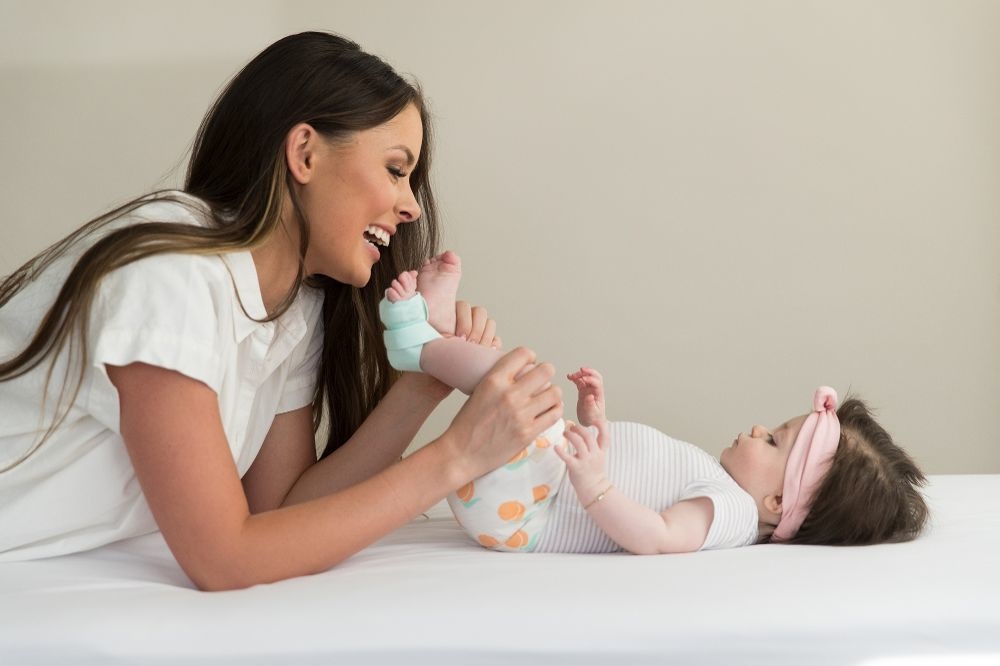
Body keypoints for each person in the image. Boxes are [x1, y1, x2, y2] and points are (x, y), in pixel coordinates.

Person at [0, 32, 563, 588]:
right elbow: (225, 559)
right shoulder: (169, 276)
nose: (412, 206)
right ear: (305, 154)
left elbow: (279, 513)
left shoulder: (291, 308)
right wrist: (457, 457)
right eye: (396, 170)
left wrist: (423, 381)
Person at [378, 255, 930, 553]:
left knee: (524, 386)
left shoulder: (732, 513)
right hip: (534, 489)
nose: (757, 427)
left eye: (772, 440)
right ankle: (435, 339)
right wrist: (595, 421)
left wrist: (594, 485)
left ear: (778, 501)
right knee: (521, 389)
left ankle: (418, 344)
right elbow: (634, 473)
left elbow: (658, 536)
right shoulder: (719, 482)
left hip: (524, 513)